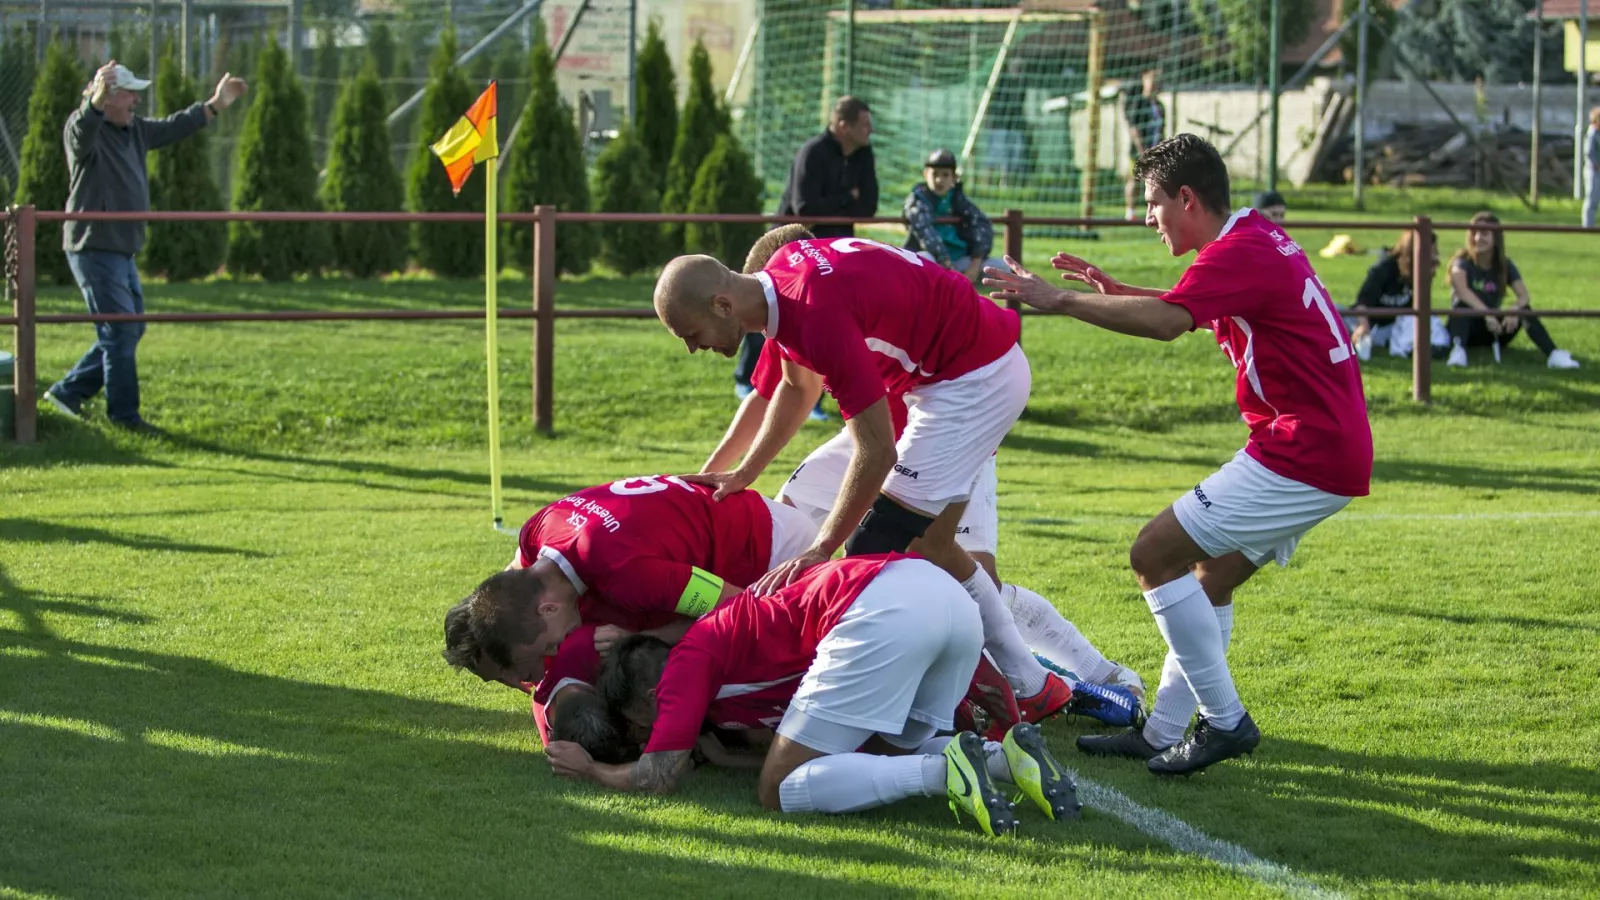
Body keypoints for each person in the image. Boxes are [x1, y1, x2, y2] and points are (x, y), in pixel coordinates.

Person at [984, 133, 1374, 775]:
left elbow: (1168, 322)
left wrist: (1059, 300)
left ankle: (1225, 722)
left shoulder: (1238, 251)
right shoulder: (1255, 238)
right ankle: (1163, 729)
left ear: (1187, 198)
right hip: (1325, 446)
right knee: (1211, 577)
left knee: (1152, 554)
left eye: (1153, 202)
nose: (1148, 217)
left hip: (1303, 449)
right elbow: (1194, 309)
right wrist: (1114, 290)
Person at [712, 225, 1145, 722]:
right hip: (910, 415)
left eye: (691, 333)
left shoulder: (809, 306)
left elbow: (874, 446)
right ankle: (1013, 685)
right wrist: (729, 473)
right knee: (811, 521)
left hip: (953, 406)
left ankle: (1066, 679)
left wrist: (826, 545)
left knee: (902, 558)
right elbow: (785, 391)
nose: (693, 346)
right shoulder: (792, 296)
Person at [546, 554, 1080, 835]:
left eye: (645, 725)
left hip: (879, 610)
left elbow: (658, 777)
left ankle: (945, 775)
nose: (651, 736)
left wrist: (592, 771)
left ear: (650, 696)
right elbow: (798, 744)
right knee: (881, 749)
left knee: (777, 792)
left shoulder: (687, 662)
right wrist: (727, 757)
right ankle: (1003, 758)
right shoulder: (721, 670)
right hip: (936, 596)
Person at [441, 475, 819, 740]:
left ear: (548, 610)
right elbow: (501, 595)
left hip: (771, 550)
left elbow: (738, 608)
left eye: (547, 647)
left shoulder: (624, 572)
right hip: (720, 527)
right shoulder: (535, 533)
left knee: (716, 666)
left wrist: (642, 639)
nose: (552, 653)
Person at [41, 60, 247, 432]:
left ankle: (67, 393)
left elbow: (173, 126)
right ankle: (124, 418)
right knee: (120, 331)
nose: (137, 100)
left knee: (129, 329)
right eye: (130, 93)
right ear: (109, 97)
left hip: (121, 248)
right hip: (93, 245)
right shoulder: (83, 126)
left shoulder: (134, 129)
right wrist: (95, 101)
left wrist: (216, 104)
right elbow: (82, 130)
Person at [735, 96, 879, 407]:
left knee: (825, 323)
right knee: (766, 308)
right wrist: (848, 198)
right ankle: (747, 379)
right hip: (790, 250)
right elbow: (805, 208)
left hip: (833, 255)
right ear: (844, 126)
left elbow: (868, 206)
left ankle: (813, 399)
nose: (871, 130)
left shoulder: (864, 155)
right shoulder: (812, 152)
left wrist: (837, 204)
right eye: (865, 124)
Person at [1445, 212, 1580, 370]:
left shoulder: (1504, 265)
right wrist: (1487, 314)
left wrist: (1513, 310)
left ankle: (1554, 354)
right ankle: (1458, 352)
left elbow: (1524, 296)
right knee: (1462, 306)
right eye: (1474, 233)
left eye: (1484, 233)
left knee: (1524, 310)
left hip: (1493, 329)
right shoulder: (1462, 262)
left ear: (1496, 237)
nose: (1477, 238)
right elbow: (1462, 292)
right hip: (1467, 328)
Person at [902, 149, 1003, 285]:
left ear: (954, 177)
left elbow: (982, 224)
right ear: (925, 174)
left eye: (945, 175)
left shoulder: (958, 199)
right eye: (935, 174)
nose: (939, 180)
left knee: (1002, 267)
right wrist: (947, 266)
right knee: (922, 260)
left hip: (961, 259)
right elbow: (926, 233)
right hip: (935, 261)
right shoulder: (918, 200)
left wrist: (975, 263)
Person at [1348, 231, 1448, 362]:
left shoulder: (1422, 270)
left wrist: (1426, 277)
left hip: (1396, 325)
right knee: (1337, 313)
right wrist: (1363, 326)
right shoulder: (1384, 267)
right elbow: (1363, 301)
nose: (1433, 256)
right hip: (1367, 320)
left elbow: (1419, 308)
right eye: (1429, 251)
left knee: (1430, 322)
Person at [1122, 69, 1164, 221]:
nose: (1154, 84)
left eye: (1157, 81)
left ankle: (1155, 212)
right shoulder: (1139, 103)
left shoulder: (1159, 105)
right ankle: (1130, 212)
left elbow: (1161, 129)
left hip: (1156, 151)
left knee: (1156, 182)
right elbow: (1134, 128)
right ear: (1144, 81)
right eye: (1151, 80)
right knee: (1134, 179)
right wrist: (1142, 150)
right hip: (1139, 151)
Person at [1585, 107, 1600, 229]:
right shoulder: (1592, 133)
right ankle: (1588, 226)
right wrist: (1596, 164)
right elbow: (1589, 153)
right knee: (1592, 199)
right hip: (1594, 171)